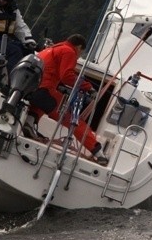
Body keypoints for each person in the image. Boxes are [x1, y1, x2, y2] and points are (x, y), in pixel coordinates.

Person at [25, 34, 108, 165]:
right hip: (45, 89)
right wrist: (89, 88)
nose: (79, 56)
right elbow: (67, 76)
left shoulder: (52, 49)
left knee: (43, 103)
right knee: (74, 119)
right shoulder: (69, 51)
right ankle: (98, 152)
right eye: (81, 53)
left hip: (33, 87)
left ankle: (28, 124)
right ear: (79, 47)